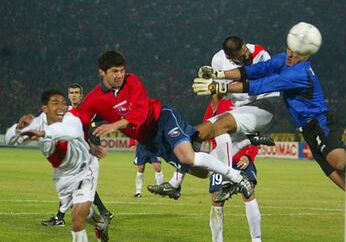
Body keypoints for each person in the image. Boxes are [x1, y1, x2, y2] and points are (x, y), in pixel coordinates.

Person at [78, 50, 254, 201]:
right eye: (115, 71)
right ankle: (244, 142)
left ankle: (238, 178)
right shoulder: (94, 100)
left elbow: (140, 112)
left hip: (163, 119)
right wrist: (90, 144)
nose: (120, 75)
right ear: (102, 72)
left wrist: (115, 125)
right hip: (150, 141)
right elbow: (82, 122)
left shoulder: (132, 81)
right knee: (201, 172)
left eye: (122, 70)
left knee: (187, 157)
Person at [193, 22, 346, 192]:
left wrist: (219, 87)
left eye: (296, 52)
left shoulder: (299, 73)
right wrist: (218, 74)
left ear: (305, 56)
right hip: (308, 130)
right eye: (290, 48)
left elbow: (261, 85)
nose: (290, 53)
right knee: (342, 181)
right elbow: (254, 71)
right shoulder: (283, 60)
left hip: (319, 123)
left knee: (339, 162)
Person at [149, 37, 269, 242]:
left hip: (243, 136)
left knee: (248, 192)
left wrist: (249, 155)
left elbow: (261, 96)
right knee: (216, 198)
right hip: (223, 145)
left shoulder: (260, 55)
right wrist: (214, 106)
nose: (245, 57)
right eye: (239, 58)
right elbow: (215, 100)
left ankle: (256, 240)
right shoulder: (218, 65)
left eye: (244, 54)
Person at [5, 90, 110, 242]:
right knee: (82, 212)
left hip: (85, 168)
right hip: (62, 175)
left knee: (77, 220)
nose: (61, 107)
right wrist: (18, 128)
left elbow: (70, 132)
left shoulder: (70, 116)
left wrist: (42, 133)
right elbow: (10, 140)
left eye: (62, 102)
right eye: (55, 103)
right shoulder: (37, 122)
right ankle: (100, 223)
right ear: (44, 108)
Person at [41, 83, 113, 226]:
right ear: (68, 96)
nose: (74, 95)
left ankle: (60, 218)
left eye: (76, 92)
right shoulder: (67, 113)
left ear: (81, 95)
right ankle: (104, 212)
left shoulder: (88, 111)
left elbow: (102, 118)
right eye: (71, 92)